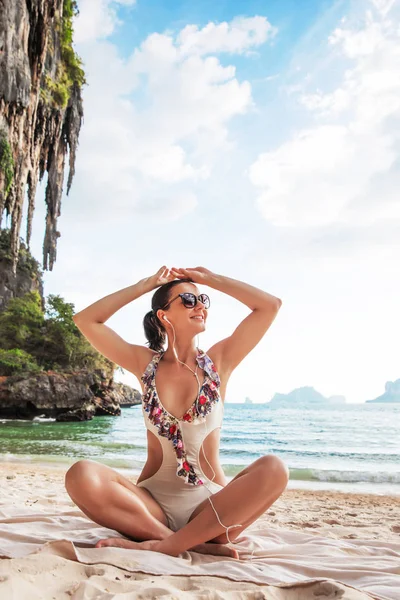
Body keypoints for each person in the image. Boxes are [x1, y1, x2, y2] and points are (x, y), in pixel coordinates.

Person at [65, 266, 289, 559]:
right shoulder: (145, 364)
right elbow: (86, 320)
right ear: (164, 315)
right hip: (149, 510)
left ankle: (171, 544)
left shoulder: (219, 362)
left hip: (212, 512)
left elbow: (269, 306)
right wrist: (146, 284)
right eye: (188, 299)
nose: (200, 307)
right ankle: (183, 543)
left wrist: (208, 278)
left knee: (275, 468)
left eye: (202, 300)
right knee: (80, 474)